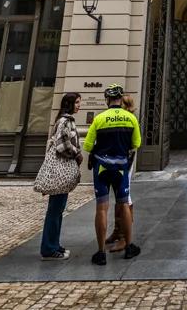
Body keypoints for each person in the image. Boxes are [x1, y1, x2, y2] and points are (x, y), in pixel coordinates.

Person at [83, 83, 142, 265]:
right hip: (121, 168)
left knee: (102, 208)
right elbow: (136, 144)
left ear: (107, 99)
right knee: (123, 205)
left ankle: (101, 252)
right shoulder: (130, 119)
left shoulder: (100, 119)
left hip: (101, 168)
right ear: (120, 98)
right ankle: (129, 246)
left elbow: (86, 145)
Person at [40, 91, 82, 260]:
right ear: (69, 103)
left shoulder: (63, 120)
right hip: (60, 170)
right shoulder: (65, 121)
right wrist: (77, 153)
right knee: (55, 210)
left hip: (61, 171)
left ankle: (54, 245)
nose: (79, 105)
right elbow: (62, 145)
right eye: (77, 102)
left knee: (57, 210)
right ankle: (49, 248)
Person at [105, 93, 137, 252]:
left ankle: (125, 236)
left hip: (124, 164)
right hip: (117, 163)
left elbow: (135, 143)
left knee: (125, 198)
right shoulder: (124, 118)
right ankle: (118, 231)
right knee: (119, 198)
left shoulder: (128, 120)